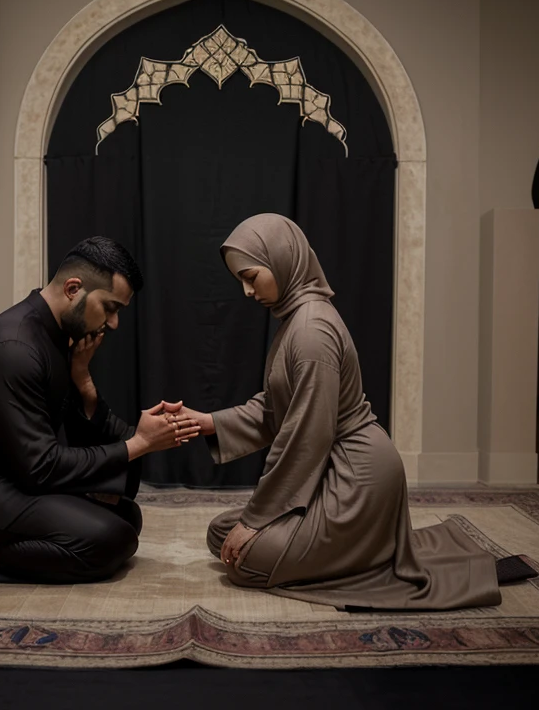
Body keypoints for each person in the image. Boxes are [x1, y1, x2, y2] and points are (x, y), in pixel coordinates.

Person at [166, 214, 514, 611]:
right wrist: (207, 422)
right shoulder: (296, 319)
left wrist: (255, 520)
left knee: (246, 563)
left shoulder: (311, 330)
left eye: (251, 276)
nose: (247, 291)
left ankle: (366, 557)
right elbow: (277, 406)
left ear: (282, 259)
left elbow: (306, 436)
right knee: (221, 534)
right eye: (240, 281)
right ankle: (356, 550)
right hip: (333, 472)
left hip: (357, 478)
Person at [0, 237, 200, 584]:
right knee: (111, 540)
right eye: (110, 307)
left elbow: (71, 435)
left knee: (125, 516)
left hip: (10, 474)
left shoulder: (56, 334)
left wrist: (83, 383)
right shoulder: (16, 348)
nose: (113, 323)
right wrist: (139, 443)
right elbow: (42, 467)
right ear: (73, 288)